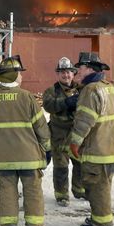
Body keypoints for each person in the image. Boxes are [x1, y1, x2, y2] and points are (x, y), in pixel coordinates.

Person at [0, 55, 52, 226]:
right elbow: (41, 127)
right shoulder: (27, 98)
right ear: (13, 76)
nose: (21, 77)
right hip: (29, 157)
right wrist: (47, 148)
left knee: (7, 191)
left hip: (3, 158)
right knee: (33, 191)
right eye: (19, 73)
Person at [66, 51, 114, 226]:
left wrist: (74, 143)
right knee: (103, 185)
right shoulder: (109, 87)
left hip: (96, 148)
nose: (77, 72)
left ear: (90, 68)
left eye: (80, 68)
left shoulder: (90, 90)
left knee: (97, 187)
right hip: (110, 147)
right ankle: (99, 217)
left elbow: (84, 121)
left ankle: (101, 223)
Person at [42, 56, 84, 206]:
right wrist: (65, 103)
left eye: (68, 72)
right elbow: (48, 105)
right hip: (58, 134)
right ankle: (62, 195)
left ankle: (79, 190)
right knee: (61, 166)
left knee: (80, 163)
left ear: (73, 74)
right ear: (57, 75)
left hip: (76, 133)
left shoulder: (81, 89)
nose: (66, 75)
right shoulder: (51, 91)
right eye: (62, 73)